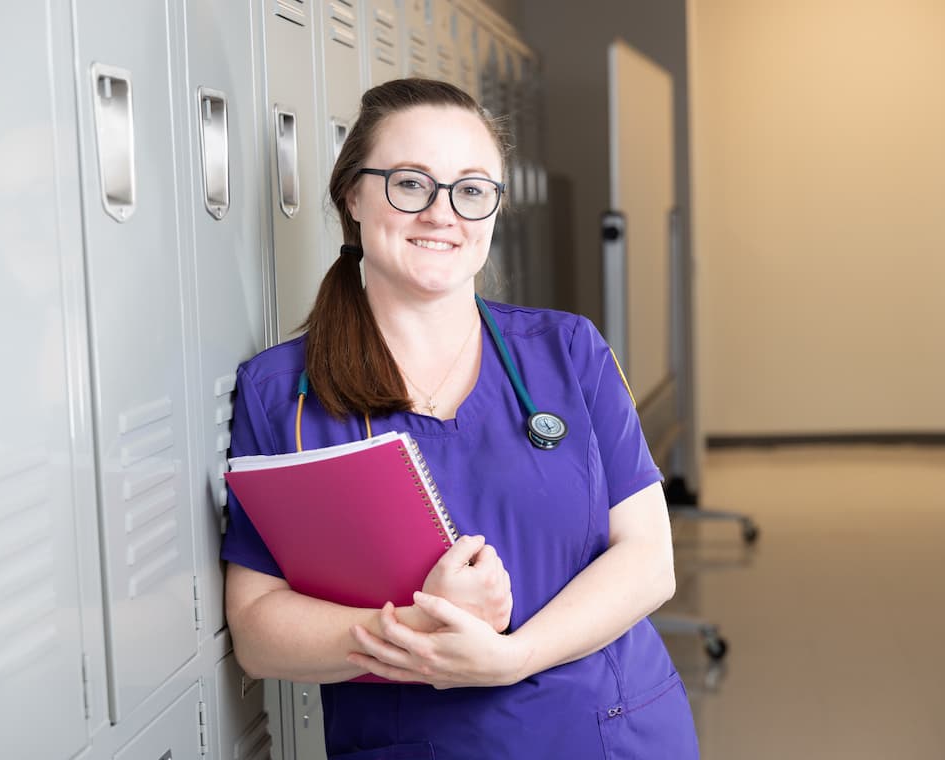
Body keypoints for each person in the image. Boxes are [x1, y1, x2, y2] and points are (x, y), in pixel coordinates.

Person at [222, 77, 700, 759]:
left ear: (494, 211)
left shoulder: (567, 352)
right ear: (353, 196)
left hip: (607, 733)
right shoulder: (284, 396)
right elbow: (259, 631)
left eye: (471, 190)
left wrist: (514, 656)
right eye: (410, 183)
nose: (442, 213)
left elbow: (649, 562)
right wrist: (416, 628)